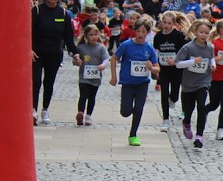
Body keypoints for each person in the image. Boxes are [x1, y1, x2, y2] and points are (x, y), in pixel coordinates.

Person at [32, 0, 78, 125]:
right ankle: (33, 109)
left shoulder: (63, 13)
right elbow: (27, 33)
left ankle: (45, 109)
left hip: (54, 54)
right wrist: (29, 49)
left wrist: (75, 53)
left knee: (49, 83)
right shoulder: (37, 11)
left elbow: (68, 37)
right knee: (36, 82)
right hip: (37, 54)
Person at [109, 17, 159, 146]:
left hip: (142, 83)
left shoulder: (149, 48)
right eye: (138, 31)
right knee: (125, 112)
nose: (141, 34)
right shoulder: (126, 45)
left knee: (138, 109)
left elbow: (157, 67)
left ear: (147, 33)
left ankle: (133, 134)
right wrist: (114, 77)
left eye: (144, 32)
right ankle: (125, 108)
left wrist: (151, 68)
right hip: (127, 82)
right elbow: (114, 58)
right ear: (134, 31)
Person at [175, 19, 215, 149]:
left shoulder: (210, 47)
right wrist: (192, 62)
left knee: (202, 107)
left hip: (203, 82)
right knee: (189, 108)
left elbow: (211, 57)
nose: (204, 35)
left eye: (206, 33)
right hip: (188, 84)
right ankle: (186, 122)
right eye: (201, 32)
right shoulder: (188, 47)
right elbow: (178, 63)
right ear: (195, 32)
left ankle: (199, 136)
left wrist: (212, 65)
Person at [153, 12, 187, 131]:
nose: (166, 25)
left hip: (176, 69)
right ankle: (165, 120)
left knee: (175, 95)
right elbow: (156, 52)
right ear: (161, 22)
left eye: (169, 23)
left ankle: (172, 100)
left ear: (173, 24)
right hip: (163, 69)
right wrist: (155, 66)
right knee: (164, 93)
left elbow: (184, 51)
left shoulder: (178, 35)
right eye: (165, 22)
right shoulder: (158, 36)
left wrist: (177, 59)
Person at [72, 24, 109, 126]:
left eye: (95, 34)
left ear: (99, 35)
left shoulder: (101, 48)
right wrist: (77, 61)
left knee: (92, 97)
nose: (93, 37)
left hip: (96, 78)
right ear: (86, 36)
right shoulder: (81, 48)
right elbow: (75, 60)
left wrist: (103, 65)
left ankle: (88, 116)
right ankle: (80, 113)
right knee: (83, 95)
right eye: (91, 35)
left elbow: (106, 59)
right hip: (84, 77)